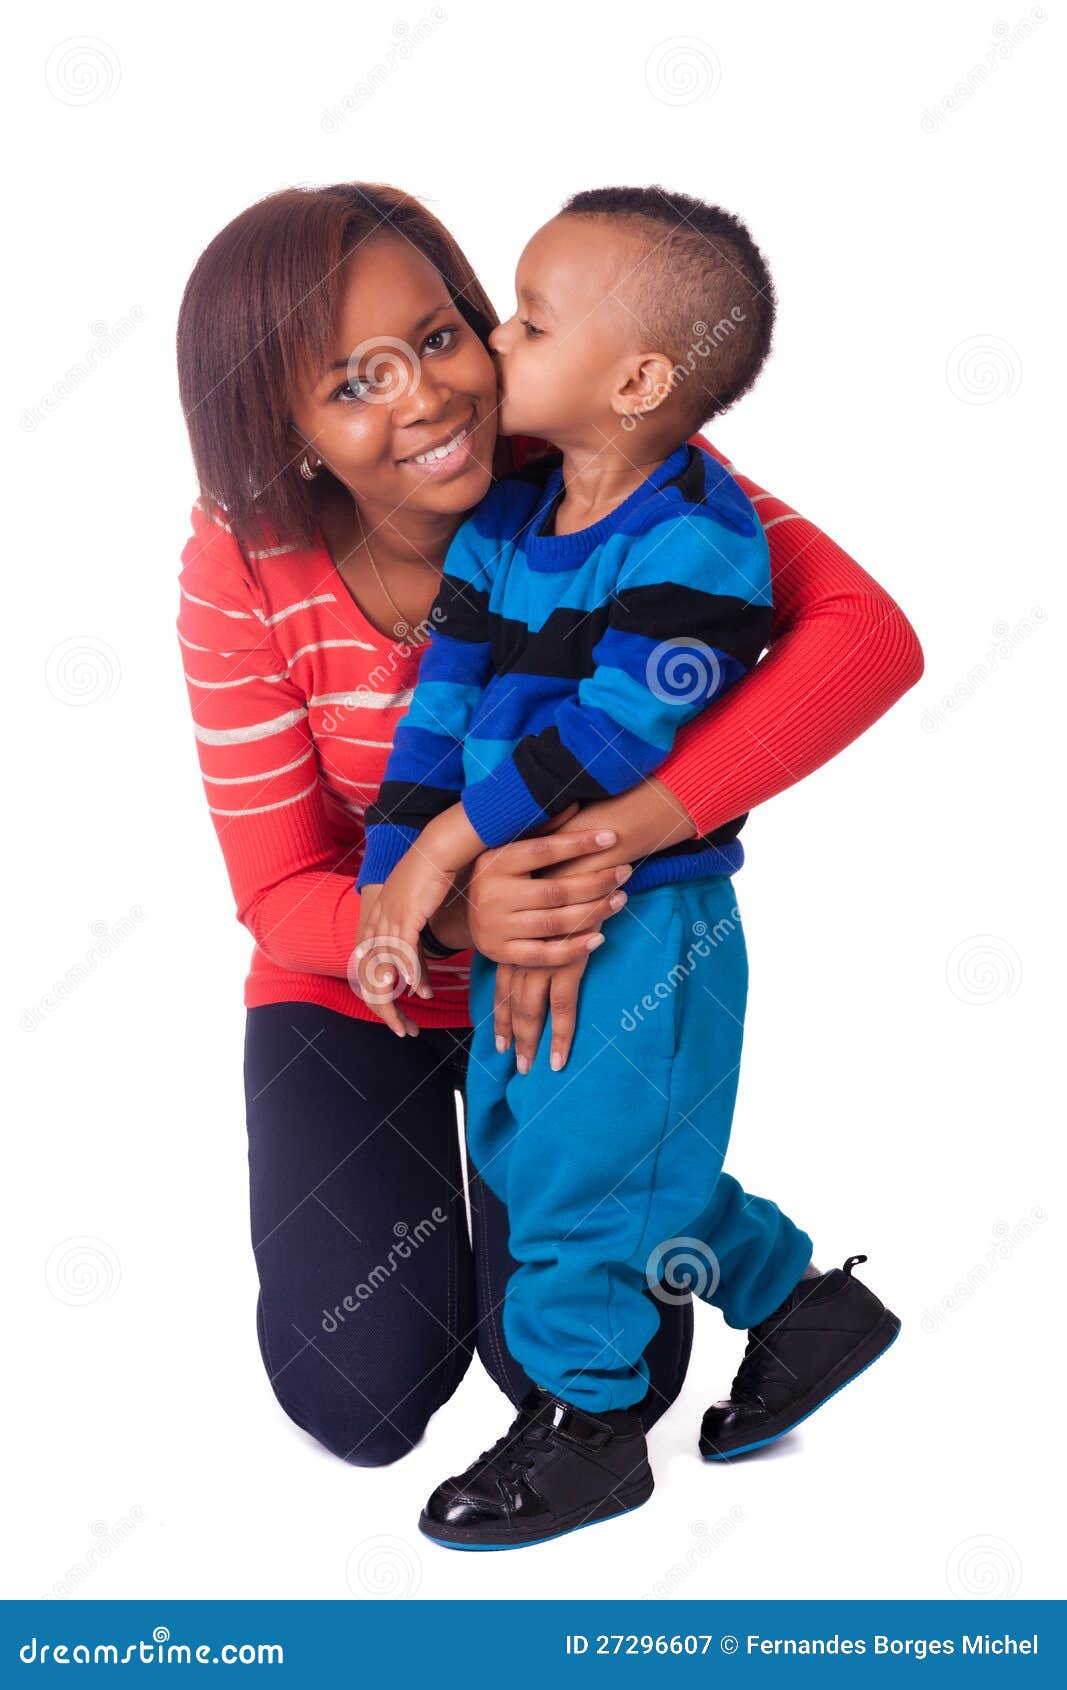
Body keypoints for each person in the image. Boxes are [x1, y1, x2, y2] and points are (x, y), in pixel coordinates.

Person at [175, 181, 922, 1479]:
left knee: (578, 1341)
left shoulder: (589, 453)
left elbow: (866, 638)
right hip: (359, 977)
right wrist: (447, 911)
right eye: (353, 384)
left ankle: (734, 1334)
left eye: (443, 336)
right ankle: (794, 1300)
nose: (427, 397)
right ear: (285, 429)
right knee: (358, 1390)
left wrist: (601, 844)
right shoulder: (244, 562)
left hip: (584, 956)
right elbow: (280, 886)